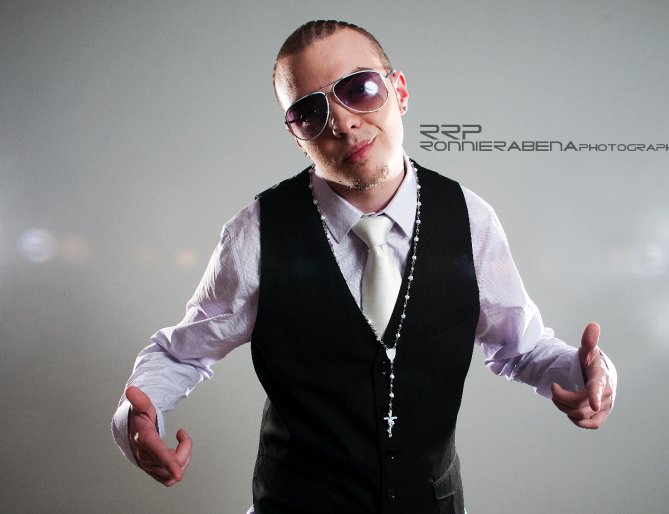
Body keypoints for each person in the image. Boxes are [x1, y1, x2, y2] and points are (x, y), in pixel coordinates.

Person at [112, 20, 617, 514]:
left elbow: (523, 347)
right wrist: (138, 419)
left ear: (400, 91)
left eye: (359, 89)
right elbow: (179, 353)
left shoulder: (470, 220)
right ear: (297, 136)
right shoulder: (255, 235)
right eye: (310, 112)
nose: (343, 122)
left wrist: (584, 374)